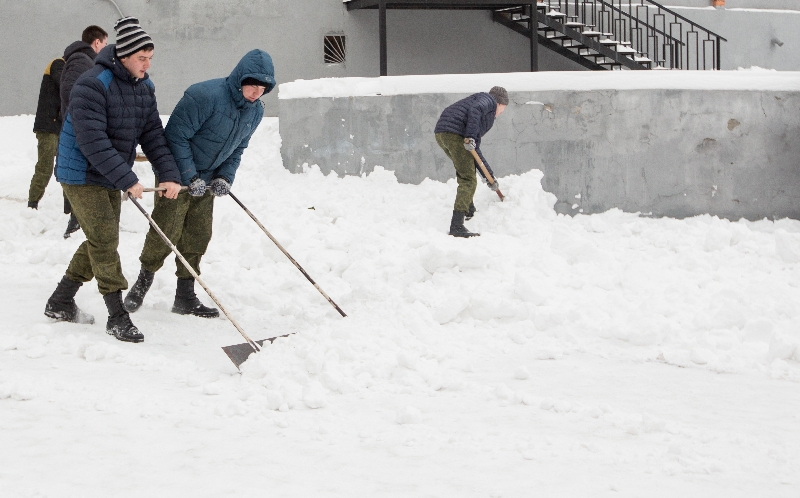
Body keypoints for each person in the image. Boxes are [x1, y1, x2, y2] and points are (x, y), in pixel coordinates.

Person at [44, 17, 182, 343]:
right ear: (124, 56)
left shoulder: (143, 87)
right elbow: (92, 141)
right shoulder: (92, 84)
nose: (147, 65)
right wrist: (127, 178)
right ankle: (117, 316)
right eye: (142, 58)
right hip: (80, 171)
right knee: (105, 239)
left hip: (108, 171)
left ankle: (61, 299)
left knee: (101, 238)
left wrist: (170, 175)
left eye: (150, 58)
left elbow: (153, 135)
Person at [123, 49, 276, 318]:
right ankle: (142, 284)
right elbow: (175, 137)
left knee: (198, 234)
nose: (256, 93)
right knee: (166, 229)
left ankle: (185, 296)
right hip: (176, 176)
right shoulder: (205, 96)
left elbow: (238, 148)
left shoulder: (255, 111)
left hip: (207, 179)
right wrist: (189, 176)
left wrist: (224, 177)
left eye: (263, 88)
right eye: (253, 85)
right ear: (241, 79)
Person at [434, 86, 508, 238]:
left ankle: (469, 209)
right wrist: (470, 136)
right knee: (468, 179)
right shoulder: (489, 101)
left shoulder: (482, 111)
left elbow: (475, 152)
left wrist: (489, 177)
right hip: (455, 134)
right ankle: (456, 226)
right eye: (504, 108)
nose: (502, 112)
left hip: (443, 133)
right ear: (500, 103)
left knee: (466, 169)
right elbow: (476, 109)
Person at [60, 25, 109, 239]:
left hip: (80, 126)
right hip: (78, 128)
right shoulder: (81, 60)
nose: (106, 48)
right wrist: (85, 115)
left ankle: (77, 220)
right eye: (105, 44)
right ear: (97, 42)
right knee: (79, 172)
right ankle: (75, 222)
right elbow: (69, 91)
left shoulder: (86, 60)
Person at [27, 53, 65, 210]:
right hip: (48, 127)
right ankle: (32, 204)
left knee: (65, 168)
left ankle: (69, 208)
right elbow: (65, 84)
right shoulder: (58, 64)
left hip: (60, 127)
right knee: (45, 167)